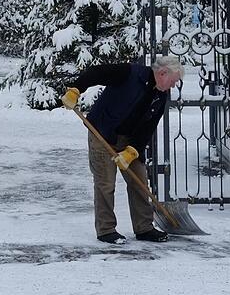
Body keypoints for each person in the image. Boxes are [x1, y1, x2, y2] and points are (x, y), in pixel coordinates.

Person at [60, 56, 185, 245]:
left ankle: (144, 228)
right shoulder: (129, 73)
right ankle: (106, 229)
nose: (173, 86)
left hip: (130, 140)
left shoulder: (161, 95)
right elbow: (96, 73)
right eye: (174, 81)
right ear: (162, 73)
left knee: (140, 181)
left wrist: (132, 151)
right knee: (105, 183)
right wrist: (76, 89)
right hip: (103, 132)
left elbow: (148, 128)